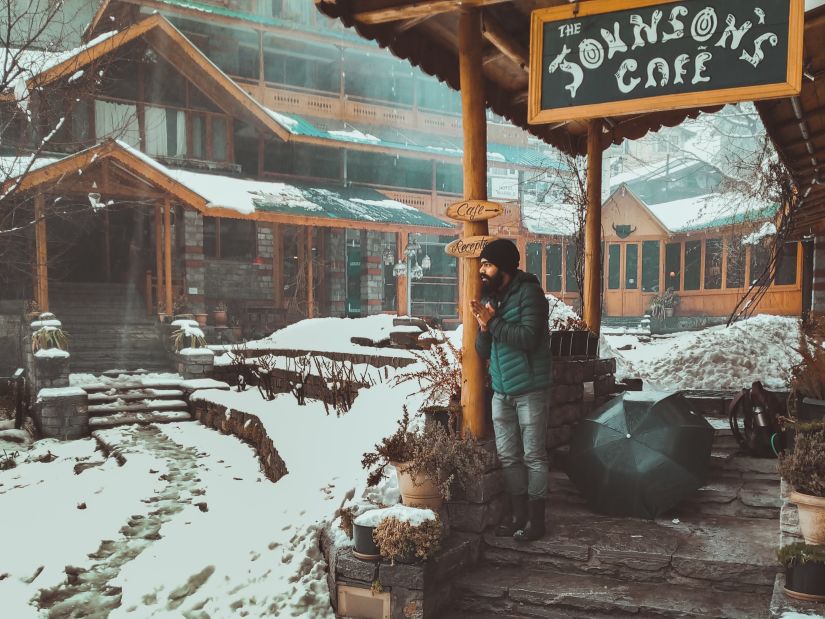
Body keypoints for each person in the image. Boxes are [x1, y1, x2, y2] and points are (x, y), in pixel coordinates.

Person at [471, 238, 552, 542]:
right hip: (502, 390)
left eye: (487, 264)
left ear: (503, 267)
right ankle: (518, 515)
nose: (482, 269)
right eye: (481, 264)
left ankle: (536, 520)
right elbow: (484, 349)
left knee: (533, 456)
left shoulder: (530, 294)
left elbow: (529, 337)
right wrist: (483, 328)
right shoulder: (493, 298)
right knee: (507, 456)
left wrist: (493, 323)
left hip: (530, 388)